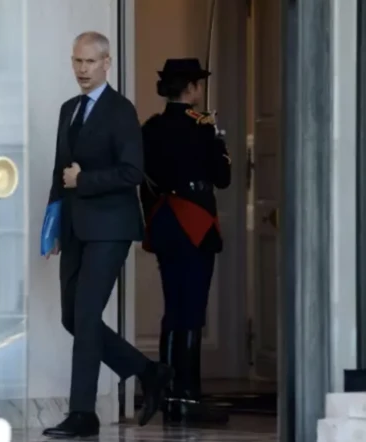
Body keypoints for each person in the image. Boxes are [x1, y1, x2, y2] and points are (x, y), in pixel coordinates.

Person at [42, 32, 174, 439]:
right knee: (71, 317)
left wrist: (84, 181)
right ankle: (148, 371)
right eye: (76, 61)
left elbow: (132, 172)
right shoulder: (69, 109)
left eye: (89, 62)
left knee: (84, 316)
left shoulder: (120, 110)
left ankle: (83, 414)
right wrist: (53, 225)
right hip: (76, 229)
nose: (82, 69)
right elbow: (59, 170)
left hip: (111, 228)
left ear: (107, 63)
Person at [139, 58, 232, 424]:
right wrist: (218, 137)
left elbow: (145, 179)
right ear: (192, 88)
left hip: (164, 221)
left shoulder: (152, 128)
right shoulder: (203, 127)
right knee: (191, 311)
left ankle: (171, 397)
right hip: (193, 223)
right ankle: (187, 399)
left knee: (173, 309)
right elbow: (222, 177)